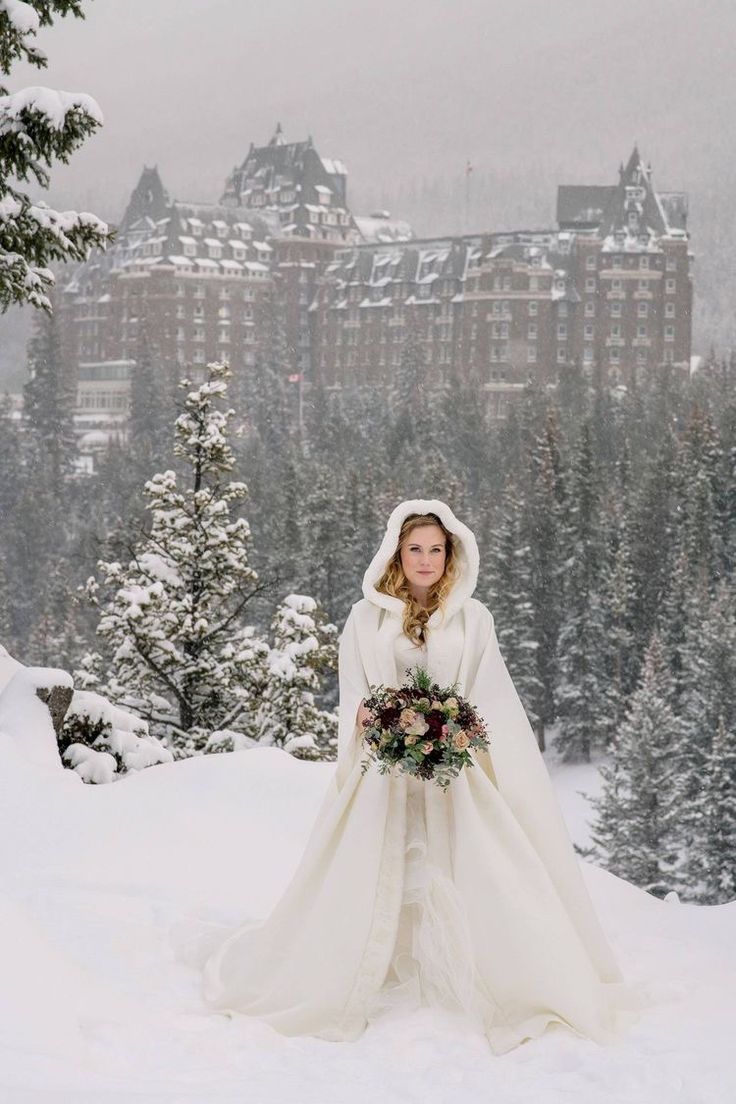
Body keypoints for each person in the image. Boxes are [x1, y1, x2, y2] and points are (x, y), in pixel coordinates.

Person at [174, 498, 649, 1054]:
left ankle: (493, 976)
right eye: (415, 549)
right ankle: (363, 968)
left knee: (479, 864)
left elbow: (488, 691)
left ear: (452, 555)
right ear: (396, 553)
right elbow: (355, 689)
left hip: (454, 770)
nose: (425, 560)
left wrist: (456, 731)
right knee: (373, 862)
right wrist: (378, 723)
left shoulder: (474, 618)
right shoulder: (365, 617)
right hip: (384, 766)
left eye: (436, 550)